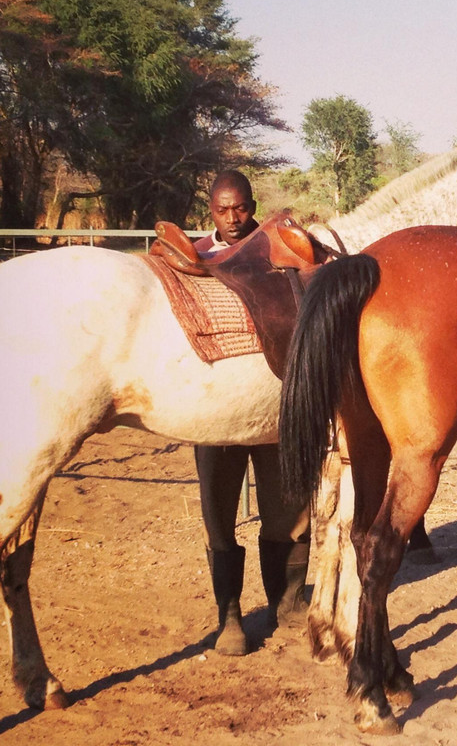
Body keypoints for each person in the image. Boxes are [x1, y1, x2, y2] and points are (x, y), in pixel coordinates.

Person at [194, 170, 311, 656]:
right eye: (223, 209)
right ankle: (229, 616)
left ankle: (288, 601)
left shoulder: (278, 250)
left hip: (273, 409)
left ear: (253, 205)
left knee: (290, 513)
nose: (233, 218)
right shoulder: (194, 257)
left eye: (240, 208)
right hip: (217, 411)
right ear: (210, 210)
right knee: (218, 517)